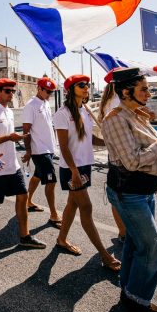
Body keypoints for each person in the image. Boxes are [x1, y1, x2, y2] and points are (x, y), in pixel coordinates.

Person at [101, 68, 157, 312]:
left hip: (145, 192)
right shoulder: (115, 120)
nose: (150, 92)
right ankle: (138, 304)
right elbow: (133, 162)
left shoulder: (138, 116)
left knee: (136, 245)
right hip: (129, 193)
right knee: (153, 250)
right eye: (144, 89)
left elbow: (151, 149)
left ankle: (131, 294)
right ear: (126, 92)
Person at [53, 75, 121, 272]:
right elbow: (64, 147)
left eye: (88, 85)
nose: (86, 87)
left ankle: (61, 239)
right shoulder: (62, 113)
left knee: (72, 205)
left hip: (84, 166)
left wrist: (109, 143)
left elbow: (89, 139)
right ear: (71, 89)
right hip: (71, 168)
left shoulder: (85, 110)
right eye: (81, 85)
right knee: (86, 207)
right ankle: (105, 255)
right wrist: (74, 171)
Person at [0, 78, 46, 249]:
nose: (11, 94)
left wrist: (20, 145)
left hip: (12, 165)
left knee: (23, 196)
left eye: (13, 91)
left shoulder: (9, 112)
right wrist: (10, 137)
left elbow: (10, 137)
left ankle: (25, 235)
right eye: (8, 91)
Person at [22, 77, 61, 227]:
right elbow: (25, 130)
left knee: (37, 176)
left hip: (49, 148)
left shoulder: (45, 103)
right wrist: (28, 150)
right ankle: (53, 214)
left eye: (52, 92)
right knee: (51, 181)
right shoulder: (30, 106)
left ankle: (28, 201)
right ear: (39, 88)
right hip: (40, 150)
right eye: (48, 91)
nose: (50, 94)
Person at [98, 72, 126, 244]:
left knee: (117, 195)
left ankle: (122, 231)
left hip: (113, 153)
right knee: (122, 195)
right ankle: (124, 232)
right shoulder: (118, 102)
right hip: (123, 153)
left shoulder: (107, 101)